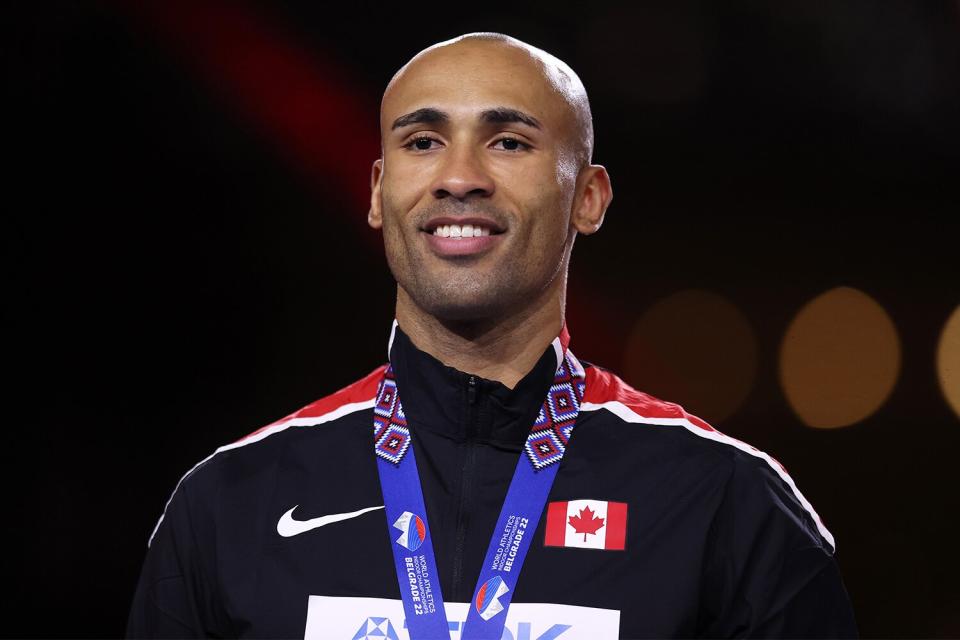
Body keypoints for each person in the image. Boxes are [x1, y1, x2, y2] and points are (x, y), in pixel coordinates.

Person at [127, 33, 857, 639]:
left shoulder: (725, 505)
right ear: (378, 194)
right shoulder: (230, 504)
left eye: (508, 141)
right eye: (422, 141)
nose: (459, 178)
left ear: (589, 198)